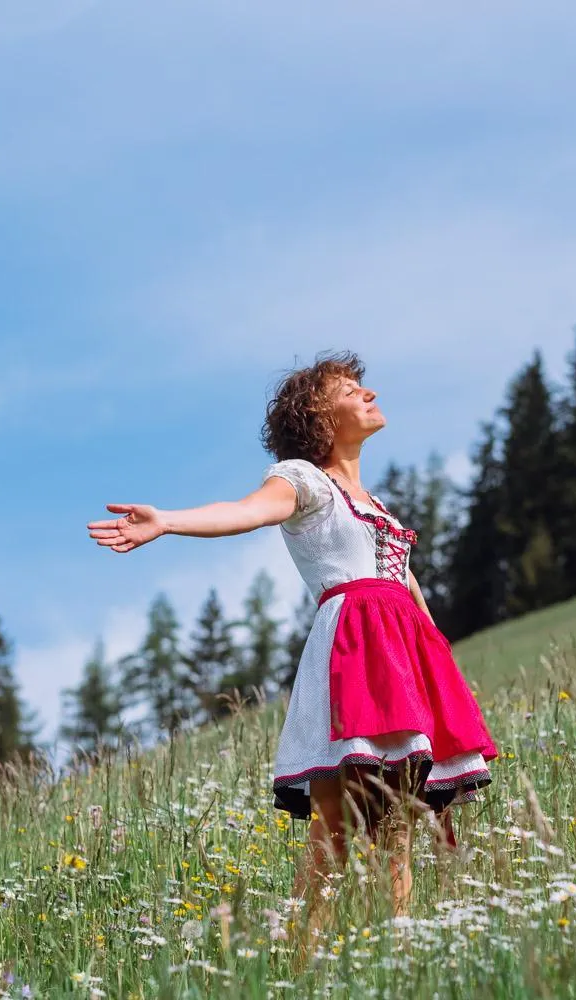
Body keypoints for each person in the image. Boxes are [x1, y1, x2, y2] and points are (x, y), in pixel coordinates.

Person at [86, 351, 497, 926]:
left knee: (398, 820)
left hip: (401, 657)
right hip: (354, 652)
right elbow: (247, 512)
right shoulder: (302, 479)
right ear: (319, 417)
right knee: (338, 829)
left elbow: (408, 590)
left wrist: (439, 670)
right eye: (351, 390)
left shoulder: (377, 508)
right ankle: (298, 966)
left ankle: (400, 955)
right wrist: (169, 520)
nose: (369, 394)